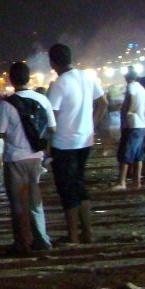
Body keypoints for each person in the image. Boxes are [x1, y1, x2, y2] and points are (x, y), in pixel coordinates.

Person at [0, 62, 56, 255]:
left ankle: (23, 242)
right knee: (35, 199)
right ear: (28, 78)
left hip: (15, 159)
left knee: (18, 202)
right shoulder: (42, 100)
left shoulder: (6, 104)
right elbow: (52, 128)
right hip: (36, 157)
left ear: (11, 80)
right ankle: (42, 238)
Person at [47, 44, 107, 244]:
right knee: (79, 184)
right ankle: (87, 232)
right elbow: (103, 103)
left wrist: (46, 145)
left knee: (67, 189)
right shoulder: (87, 77)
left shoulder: (59, 85)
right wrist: (91, 124)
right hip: (85, 140)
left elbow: (51, 119)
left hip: (64, 144)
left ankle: (73, 235)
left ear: (52, 62)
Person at [113, 67, 145, 190]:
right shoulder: (140, 87)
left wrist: (130, 111)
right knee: (137, 154)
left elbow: (131, 97)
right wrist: (140, 110)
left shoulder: (131, 87)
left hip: (132, 125)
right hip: (141, 125)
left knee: (126, 153)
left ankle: (122, 182)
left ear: (127, 77)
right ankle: (137, 181)